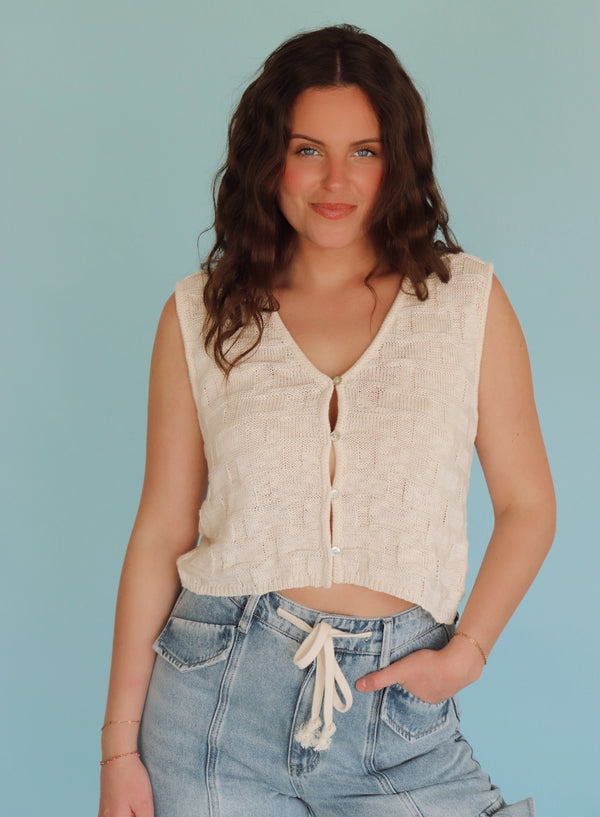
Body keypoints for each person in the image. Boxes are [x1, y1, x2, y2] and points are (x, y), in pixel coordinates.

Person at [98, 24, 555, 817]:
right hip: (214, 702)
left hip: (399, 711)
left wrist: (466, 655)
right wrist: (117, 746)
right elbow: (160, 531)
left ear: (397, 161)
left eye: (365, 152)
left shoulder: (466, 302)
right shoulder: (200, 313)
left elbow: (528, 506)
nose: (335, 180)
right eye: (308, 149)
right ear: (267, 157)